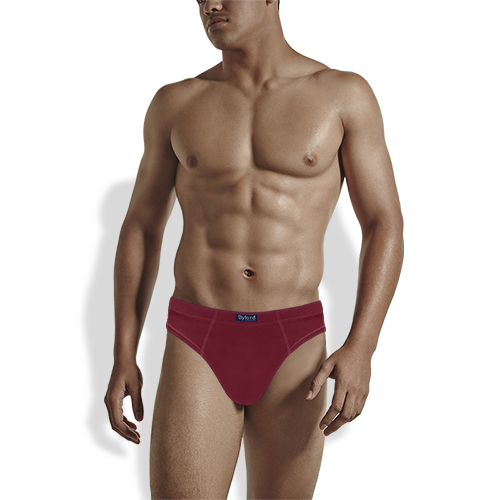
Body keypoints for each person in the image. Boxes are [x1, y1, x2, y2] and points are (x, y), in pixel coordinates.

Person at [104, 1, 404, 498]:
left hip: (294, 342)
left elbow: (383, 222)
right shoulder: (176, 103)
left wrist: (363, 346)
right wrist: (122, 353)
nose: (209, 5)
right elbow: (141, 227)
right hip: (199, 336)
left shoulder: (342, 96)